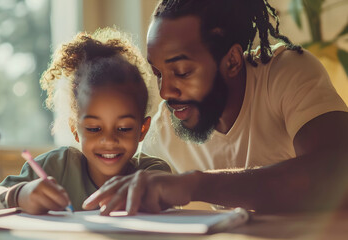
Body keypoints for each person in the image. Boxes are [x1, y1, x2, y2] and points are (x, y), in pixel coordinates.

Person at [82, 0, 348, 215]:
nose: (165, 92)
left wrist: (195, 184)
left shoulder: (285, 74)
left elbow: (337, 171)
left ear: (232, 61)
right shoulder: (164, 130)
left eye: (183, 72)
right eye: (159, 73)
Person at [0, 28, 171, 214]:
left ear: (143, 129)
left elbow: (166, 197)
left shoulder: (152, 172)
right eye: (94, 129)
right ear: (74, 128)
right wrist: (20, 194)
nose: (109, 140)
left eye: (124, 128)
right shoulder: (54, 166)